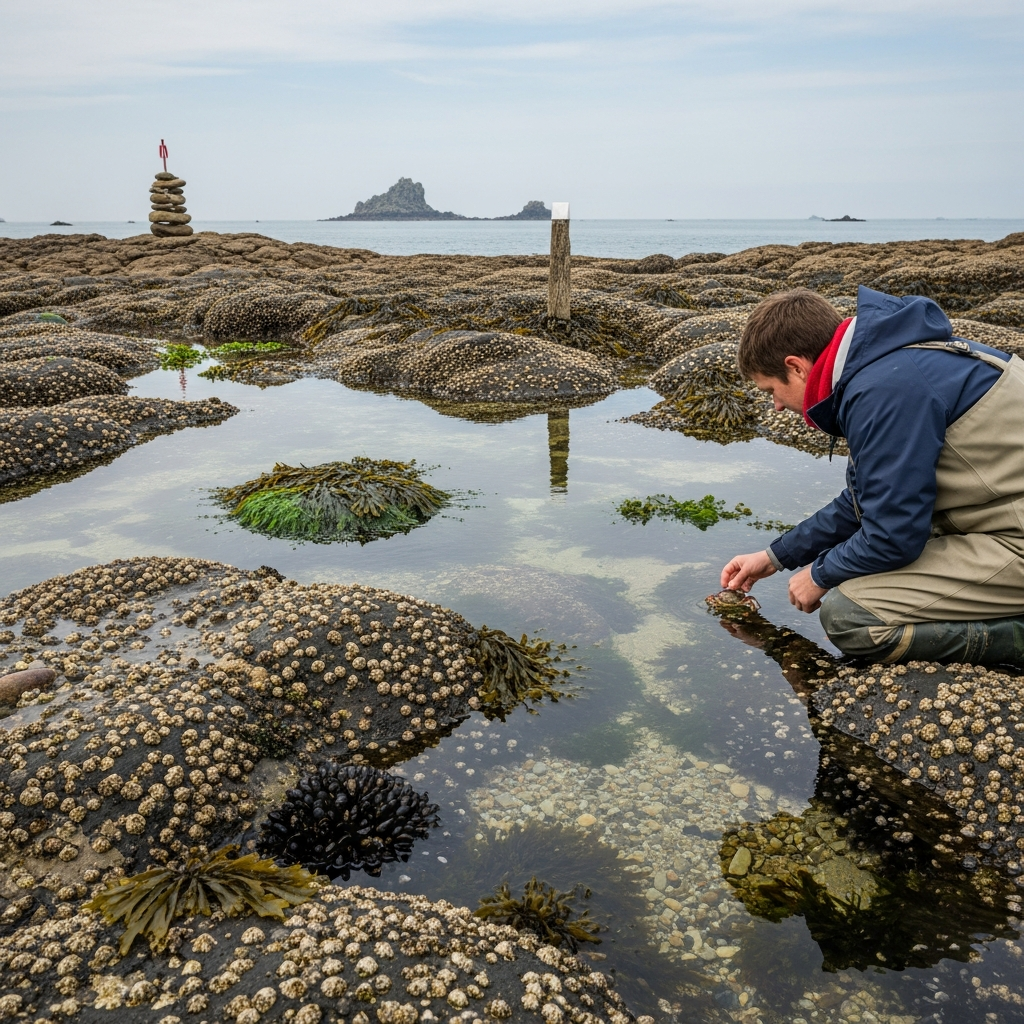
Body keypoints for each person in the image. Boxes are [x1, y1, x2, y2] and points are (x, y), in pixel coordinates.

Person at [720, 285, 1024, 667]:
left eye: (772, 390)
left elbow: (894, 535)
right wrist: (774, 557)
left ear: (796, 367)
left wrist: (819, 574)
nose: (777, 406)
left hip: (1015, 536)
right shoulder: (888, 364)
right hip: (1003, 514)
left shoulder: (884, 389)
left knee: (851, 616)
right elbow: (866, 500)